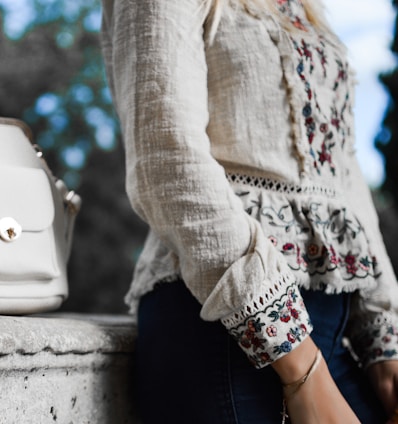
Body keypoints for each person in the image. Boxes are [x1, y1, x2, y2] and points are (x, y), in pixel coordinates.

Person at [100, 0, 398, 422]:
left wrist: (384, 340)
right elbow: (166, 159)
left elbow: (344, 179)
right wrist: (301, 369)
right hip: (225, 331)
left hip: (332, 333)